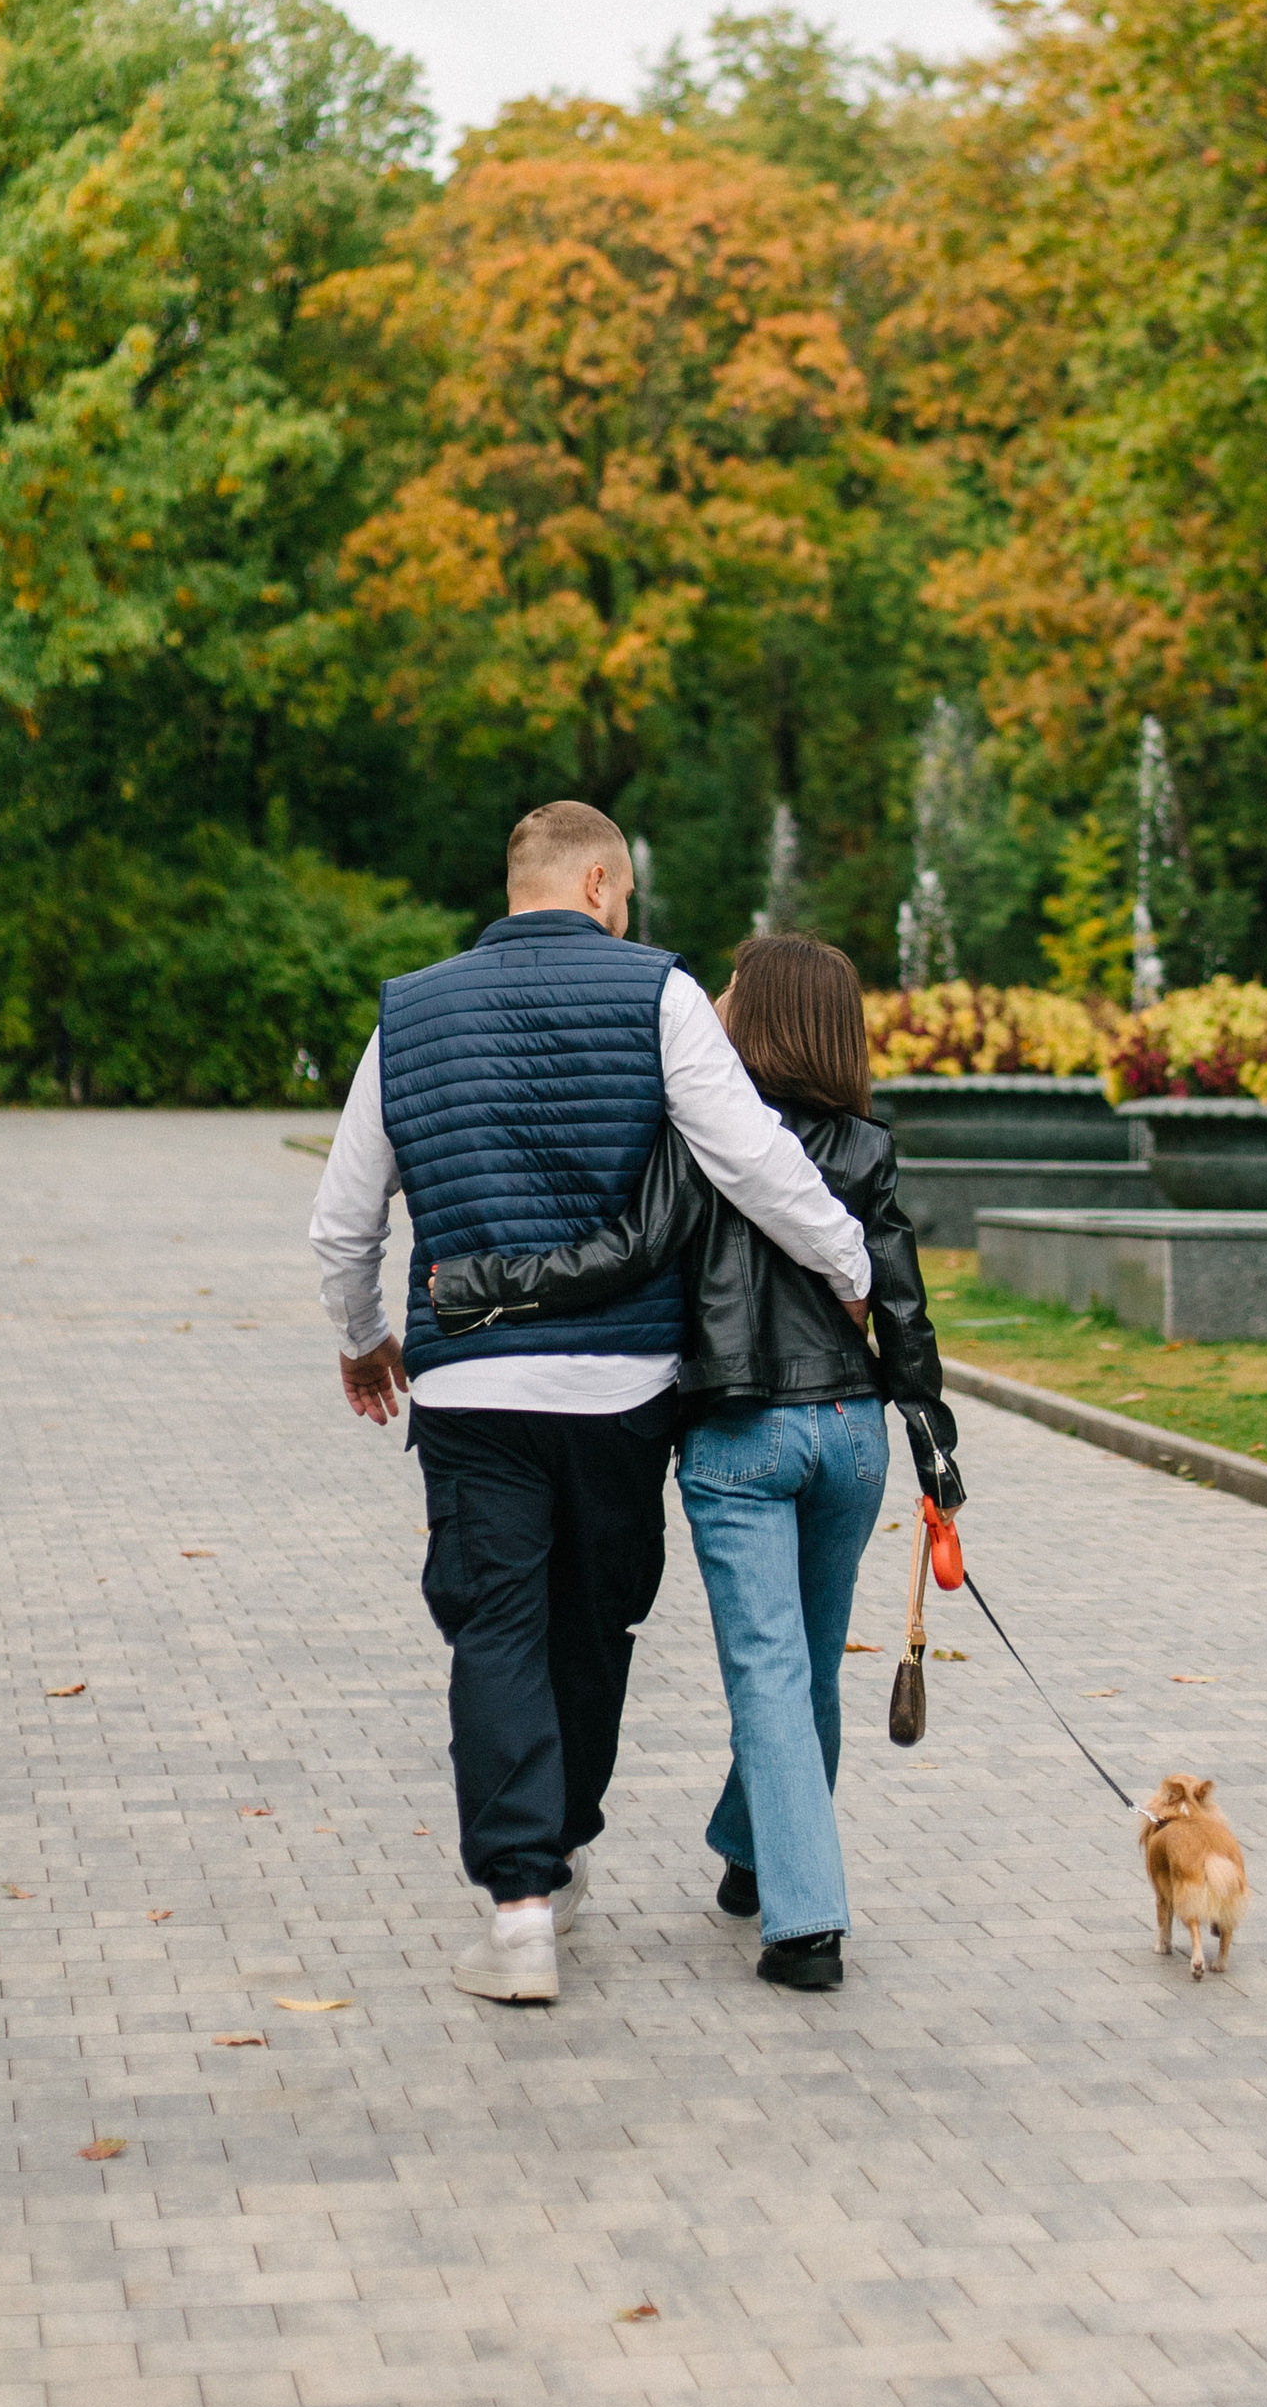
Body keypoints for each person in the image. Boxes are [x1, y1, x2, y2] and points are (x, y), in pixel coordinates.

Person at [306, 801, 874, 2006]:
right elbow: (754, 1156)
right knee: (593, 1622)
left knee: (494, 1627)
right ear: (603, 882)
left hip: (471, 1387)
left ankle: (520, 1908)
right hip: (625, 1389)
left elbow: (344, 1218)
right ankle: (558, 1850)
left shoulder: (407, 1010)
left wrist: (365, 1341)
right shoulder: (659, 993)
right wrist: (852, 1264)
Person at [477, 929, 958, 1993]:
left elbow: (626, 1252)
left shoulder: (697, 1134)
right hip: (850, 1435)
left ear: (764, 1017)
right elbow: (902, 1306)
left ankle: (805, 1925)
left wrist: (492, 1281)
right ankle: (753, 1856)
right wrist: (933, 1439)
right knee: (810, 1661)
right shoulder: (867, 1148)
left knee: (771, 1671)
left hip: (741, 1435)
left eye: (735, 991)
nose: (719, 1004)